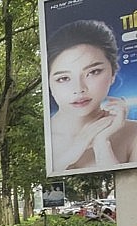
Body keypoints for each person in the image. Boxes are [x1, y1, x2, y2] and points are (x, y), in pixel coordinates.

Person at [47, 19, 137, 172]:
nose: (79, 89)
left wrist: (102, 143)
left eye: (93, 72)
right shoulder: (46, 140)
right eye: (63, 78)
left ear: (113, 73)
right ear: (49, 83)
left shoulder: (133, 133)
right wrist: (76, 147)